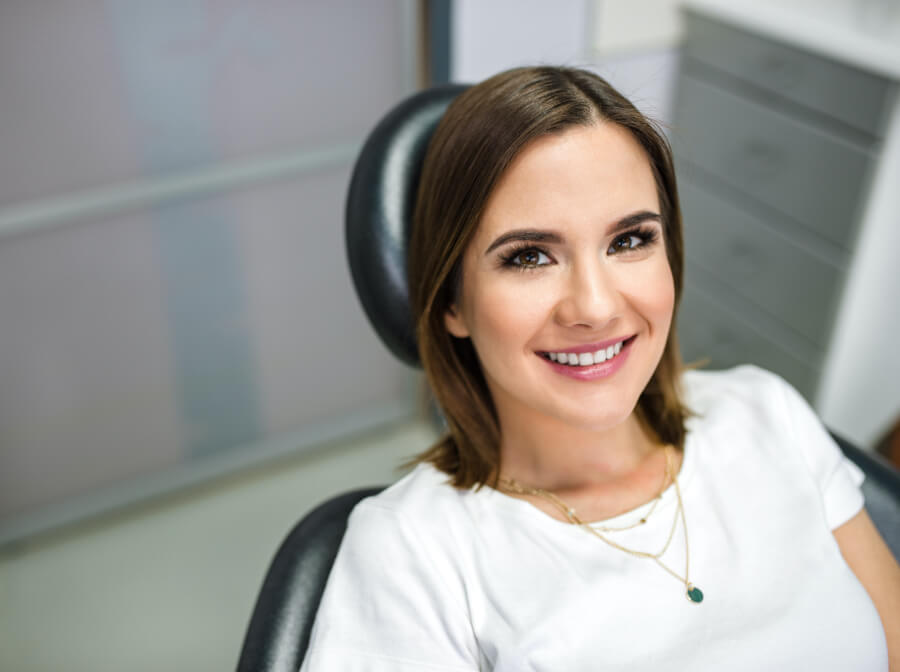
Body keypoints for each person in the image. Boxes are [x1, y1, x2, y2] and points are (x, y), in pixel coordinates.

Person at [300, 66, 899, 671]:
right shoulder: (409, 552)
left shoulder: (767, 414)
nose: (595, 306)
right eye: (529, 256)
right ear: (452, 300)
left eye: (629, 241)